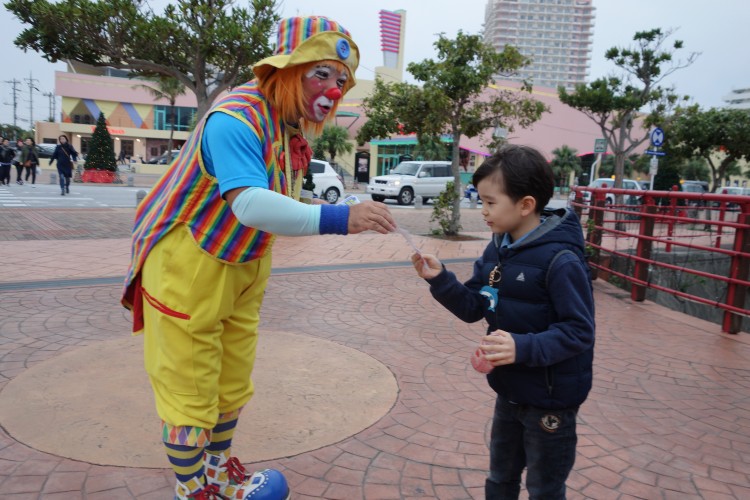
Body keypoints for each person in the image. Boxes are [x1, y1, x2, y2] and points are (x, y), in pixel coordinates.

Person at [121, 16, 395, 500]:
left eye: (341, 80)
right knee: (189, 390)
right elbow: (248, 202)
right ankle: (194, 491)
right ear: (287, 71)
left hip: (245, 265)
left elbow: (274, 207)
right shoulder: (236, 117)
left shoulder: (287, 128)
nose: (333, 89)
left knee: (231, 382)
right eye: (323, 74)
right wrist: (339, 217)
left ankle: (221, 476)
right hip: (189, 265)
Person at [411, 144, 595, 499]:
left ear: (525, 205)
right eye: (481, 201)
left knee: (544, 488)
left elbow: (579, 331)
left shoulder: (562, 261)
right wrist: (440, 279)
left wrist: (521, 346)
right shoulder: (498, 247)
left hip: (551, 399)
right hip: (509, 392)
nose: (483, 211)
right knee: (500, 479)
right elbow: (474, 307)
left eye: (491, 202)